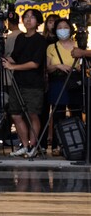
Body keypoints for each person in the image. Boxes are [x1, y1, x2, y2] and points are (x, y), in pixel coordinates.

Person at [3, 8, 46, 158]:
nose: (28, 20)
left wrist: (13, 67)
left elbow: (35, 64)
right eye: (26, 17)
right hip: (17, 82)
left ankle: (33, 146)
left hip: (33, 83)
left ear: (38, 21)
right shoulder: (20, 38)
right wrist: (3, 59)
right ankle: (25, 145)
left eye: (32, 17)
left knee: (32, 114)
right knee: (15, 114)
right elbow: (14, 57)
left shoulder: (41, 40)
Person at [46, 17, 82, 155]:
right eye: (59, 27)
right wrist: (58, 66)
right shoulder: (51, 47)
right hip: (58, 82)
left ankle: (78, 143)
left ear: (70, 29)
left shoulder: (78, 45)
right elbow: (48, 68)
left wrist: (78, 68)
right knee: (57, 113)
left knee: (76, 112)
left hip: (74, 83)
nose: (62, 30)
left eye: (65, 27)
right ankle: (57, 145)